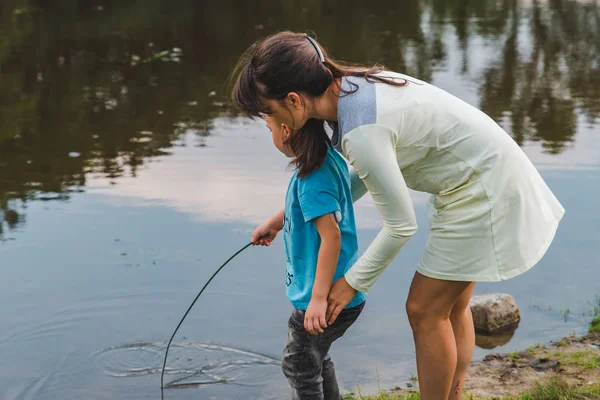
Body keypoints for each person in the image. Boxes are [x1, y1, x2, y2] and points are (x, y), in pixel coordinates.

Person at [233, 31, 565, 400]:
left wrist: (351, 283)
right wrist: (283, 218)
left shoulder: (361, 128)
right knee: (452, 306)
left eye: (268, 111)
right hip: (478, 180)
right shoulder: (352, 89)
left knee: (424, 310)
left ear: (293, 101)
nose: (267, 120)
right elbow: (357, 179)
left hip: (482, 193)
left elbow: (401, 226)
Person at [259, 114, 366, 400]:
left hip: (323, 297)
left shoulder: (311, 179)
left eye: (269, 129)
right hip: (341, 293)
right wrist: (275, 223)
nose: (270, 135)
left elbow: (331, 237)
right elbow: (309, 207)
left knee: (299, 365)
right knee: (315, 357)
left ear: (284, 131)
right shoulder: (328, 159)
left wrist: (318, 300)